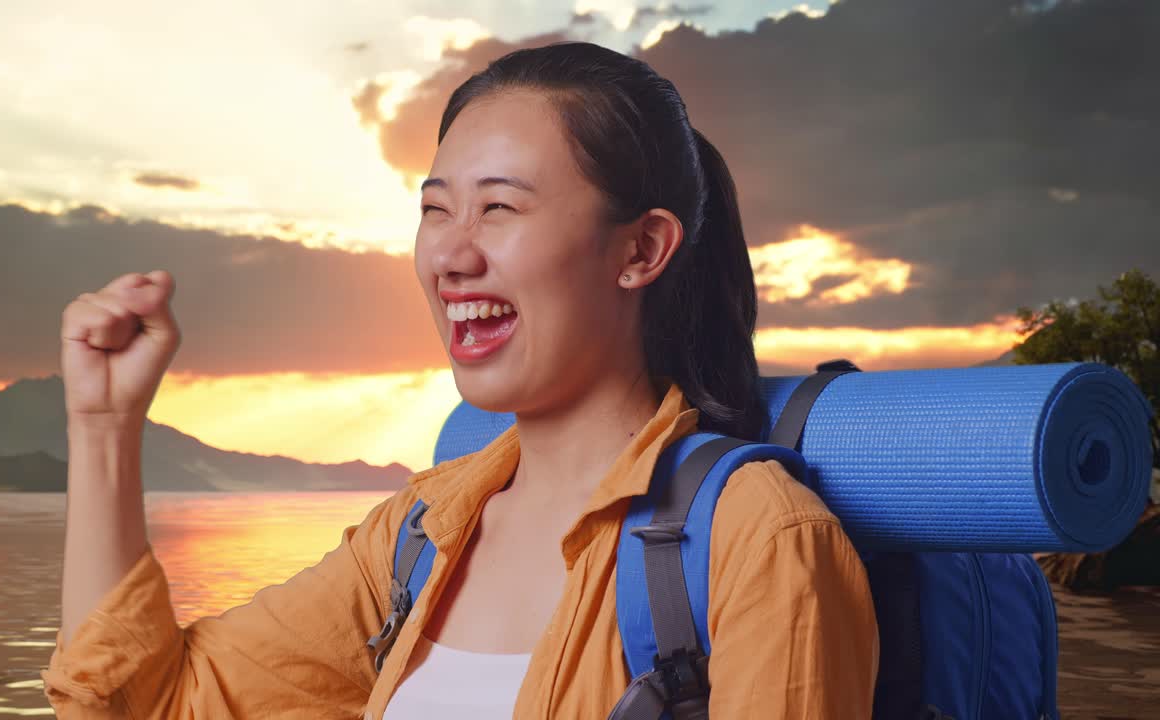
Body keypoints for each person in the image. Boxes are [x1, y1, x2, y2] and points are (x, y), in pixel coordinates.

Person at [43, 40, 878, 719]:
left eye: (499, 208)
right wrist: (104, 424)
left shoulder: (760, 543)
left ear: (640, 250)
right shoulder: (415, 538)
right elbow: (149, 706)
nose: (450, 254)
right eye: (435, 210)